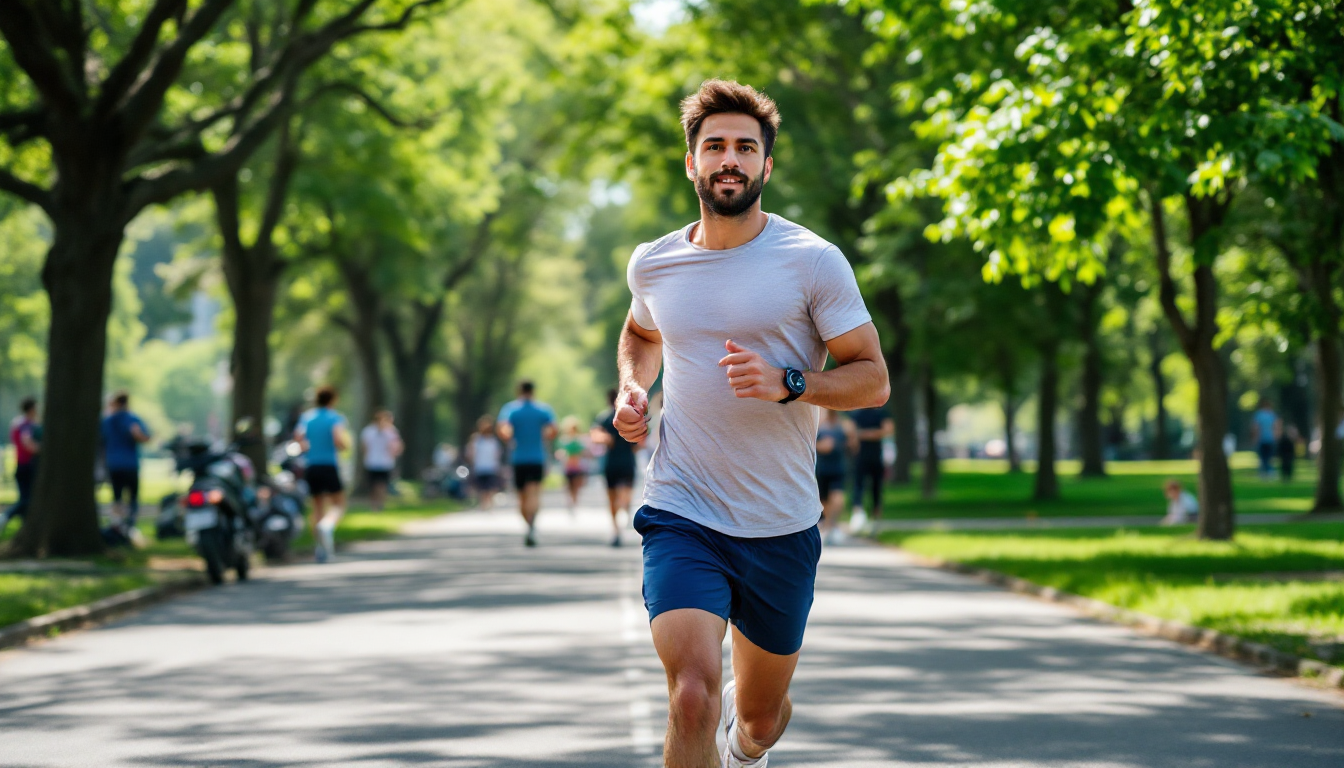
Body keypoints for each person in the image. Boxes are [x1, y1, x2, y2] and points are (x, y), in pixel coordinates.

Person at [614, 80, 888, 768]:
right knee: (690, 696)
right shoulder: (654, 262)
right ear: (691, 164)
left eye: (744, 147)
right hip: (683, 508)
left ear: (766, 165)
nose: (728, 159)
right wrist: (631, 387)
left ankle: (746, 749)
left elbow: (873, 378)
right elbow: (641, 333)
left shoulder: (812, 261)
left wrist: (791, 383)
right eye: (714, 146)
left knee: (761, 719)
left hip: (780, 523)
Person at [497, 381, 557, 547]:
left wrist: (511, 436)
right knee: (534, 494)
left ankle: (528, 526)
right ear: (533, 391)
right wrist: (544, 436)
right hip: (537, 457)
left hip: (518, 458)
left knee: (521, 497)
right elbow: (553, 430)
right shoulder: (543, 410)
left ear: (519, 391)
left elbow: (504, 430)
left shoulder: (511, 410)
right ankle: (532, 525)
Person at [296, 386, 350, 563]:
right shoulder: (334, 417)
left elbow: (298, 438)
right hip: (329, 465)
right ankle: (327, 526)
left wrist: (307, 448)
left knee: (317, 506)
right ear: (332, 400)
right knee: (338, 503)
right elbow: (338, 440)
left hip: (311, 466)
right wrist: (344, 446)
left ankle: (320, 549)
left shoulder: (307, 417)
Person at [592, 387, 641, 546]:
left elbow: (596, 437)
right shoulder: (632, 415)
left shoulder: (604, 418)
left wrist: (607, 439)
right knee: (625, 494)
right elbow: (640, 443)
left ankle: (615, 530)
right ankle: (625, 513)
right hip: (627, 461)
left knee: (612, 498)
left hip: (611, 462)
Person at [100, 392, 151, 536]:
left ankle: (118, 526)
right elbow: (145, 438)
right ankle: (129, 527)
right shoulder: (133, 419)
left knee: (117, 498)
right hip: (130, 464)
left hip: (113, 464)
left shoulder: (107, 421)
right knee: (133, 498)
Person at [849, 405, 893, 531]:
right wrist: (875, 433)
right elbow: (851, 433)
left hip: (876, 457)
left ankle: (876, 520)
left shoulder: (881, 412)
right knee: (858, 488)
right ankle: (858, 516)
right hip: (861, 457)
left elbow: (889, 430)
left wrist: (863, 434)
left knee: (876, 489)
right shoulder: (857, 413)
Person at [1, 397, 41, 536]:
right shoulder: (26, 424)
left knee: (27, 500)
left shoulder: (17, 423)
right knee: (26, 499)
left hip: (21, 464)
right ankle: (5, 516)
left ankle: (25, 530)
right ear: (31, 409)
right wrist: (41, 449)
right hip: (27, 465)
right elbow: (27, 442)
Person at [815, 408, 852, 545]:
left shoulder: (844, 424)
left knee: (837, 495)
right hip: (822, 467)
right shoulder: (819, 423)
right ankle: (828, 525)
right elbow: (810, 444)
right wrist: (821, 446)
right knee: (824, 499)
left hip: (838, 466)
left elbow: (853, 444)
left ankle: (831, 525)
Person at [359, 409, 403, 512]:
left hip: (385, 463)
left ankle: (380, 505)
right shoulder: (368, 431)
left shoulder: (391, 432)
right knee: (373, 486)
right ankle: (374, 505)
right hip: (372, 462)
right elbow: (364, 447)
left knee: (382, 485)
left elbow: (397, 447)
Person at [466, 416, 503, 509]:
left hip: (489, 467)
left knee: (488, 487)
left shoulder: (492, 441)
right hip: (482, 467)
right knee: (483, 487)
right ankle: (485, 504)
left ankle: (487, 504)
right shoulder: (477, 440)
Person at [557, 416, 589, 515]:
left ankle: (574, 503)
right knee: (569, 486)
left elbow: (584, 452)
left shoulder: (578, 441)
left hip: (577, 466)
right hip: (568, 466)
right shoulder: (565, 440)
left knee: (575, 486)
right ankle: (571, 503)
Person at [1251, 397, 1278, 480]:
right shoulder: (1272, 415)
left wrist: (1255, 438)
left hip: (1262, 439)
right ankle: (1270, 471)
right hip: (1270, 438)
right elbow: (1276, 427)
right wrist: (1276, 436)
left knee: (1262, 456)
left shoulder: (1258, 415)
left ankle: (1263, 472)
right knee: (1269, 456)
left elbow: (1255, 427)